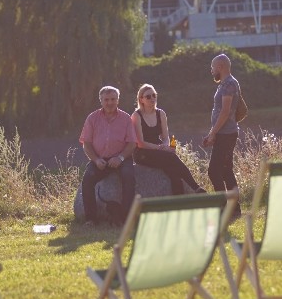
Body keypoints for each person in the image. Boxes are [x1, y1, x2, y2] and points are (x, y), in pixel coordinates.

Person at [131, 84, 205, 195]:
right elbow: (140, 143)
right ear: (141, 99)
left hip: (159, 150)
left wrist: (167, 146)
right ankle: (195, 187)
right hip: (143, 152)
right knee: (172, 159)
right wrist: (160, 148)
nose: (152, 98)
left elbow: (166, 137)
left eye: (154, 95)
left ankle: (178, 199)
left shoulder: (161, 113)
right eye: (148, 97)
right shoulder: (136, 116)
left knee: (173, 171)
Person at [79, 86, 137, 226]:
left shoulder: (126, 118)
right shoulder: (92, 118)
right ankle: (91, 219)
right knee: (87, 180)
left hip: (122, 158)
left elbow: (132, 143)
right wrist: (96, 160)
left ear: (118, 100)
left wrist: (120, 158)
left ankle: (125, 218)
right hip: (100, 159)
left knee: (129, 177)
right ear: (101, 101)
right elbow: (86, 143)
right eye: (106, 100)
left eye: (113, 99)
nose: (110, 102)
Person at [202, 53, 242, 216]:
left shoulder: (228, 85)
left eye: (213, 67)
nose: (211, 70)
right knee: (226, 170)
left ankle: (225, 207)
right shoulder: (225, 84)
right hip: (224, 133)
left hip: (226, 133)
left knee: (214, 171)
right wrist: (214, 133)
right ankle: (234, 208)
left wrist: (213, 132)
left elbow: (225, 112)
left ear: (220, 67)